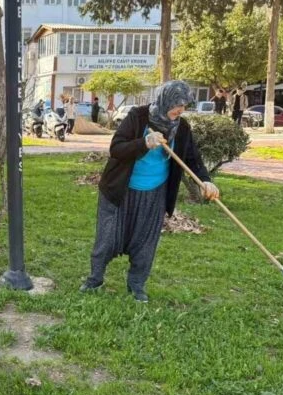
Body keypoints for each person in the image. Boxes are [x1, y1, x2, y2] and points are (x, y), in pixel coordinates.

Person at [80, 80, 220, 302]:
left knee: (145, 242)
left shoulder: (181, 128)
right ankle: (95, 279)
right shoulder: (138, 117)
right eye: (177, 104)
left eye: (184, 105)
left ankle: (136, 285)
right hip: (120, 190)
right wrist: (144, 143)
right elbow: (116, 149)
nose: (180, 110)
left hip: (154, 193)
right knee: (107, 238)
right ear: (165, 100)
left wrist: (205, 180)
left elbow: (193, 158)